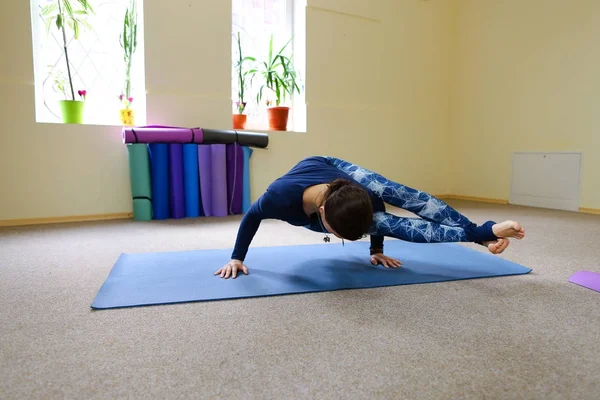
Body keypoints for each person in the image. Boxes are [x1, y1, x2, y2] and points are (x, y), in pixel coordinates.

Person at [214, 156, 525, 279]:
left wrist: (376, 250)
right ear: (322, 215)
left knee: (395, 195)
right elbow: (251, 216)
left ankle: (482, 231)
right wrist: (236, 257)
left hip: (342, 179)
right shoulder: (278, 198)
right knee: (383, 221)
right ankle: (480, 233)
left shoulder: (366, 195)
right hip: (318, 179)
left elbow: (390, 218)